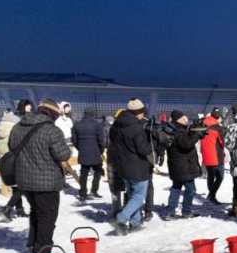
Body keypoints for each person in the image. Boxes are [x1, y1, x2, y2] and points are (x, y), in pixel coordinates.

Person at [8, 99, 72, 253]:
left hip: (24, 179)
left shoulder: (17, 127)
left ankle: (33, 243)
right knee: (47, 217)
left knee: (36, 211)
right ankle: (43, 252)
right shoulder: (52, 130)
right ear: (53, 114)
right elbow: (63, 154)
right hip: (46, 181)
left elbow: (11, 147)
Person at [108, 99, 154, 235]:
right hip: (137, 167)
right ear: (138, 113)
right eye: (142, 113)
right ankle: (121, 219)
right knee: (138, 197)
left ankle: (135, 223)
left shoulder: (116, 125)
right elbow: (144, 150)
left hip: (123, 166)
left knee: (132, 194)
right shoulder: (136, 128)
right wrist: (153, 143)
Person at [161, 110, 205, 220]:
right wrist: (196, 135)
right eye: (183, 118)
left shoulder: (174, 129)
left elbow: (186, 140)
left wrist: (196, 132)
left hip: (177, 165)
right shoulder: (178, 131)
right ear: (177, 119)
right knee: (190, 189)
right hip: (184, 166)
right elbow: (186, 144)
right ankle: (186, 211)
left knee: (176, 188)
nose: (186, 119)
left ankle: (170, 212)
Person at [0, 100, 31, 221]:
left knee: (16, 186)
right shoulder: (16, 127)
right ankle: (8, 208)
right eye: (28, 106)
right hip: (15, 159)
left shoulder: (3, 128)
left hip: (7, 159)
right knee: (21, 185)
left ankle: (20, 209)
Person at [72, 108, 106, 201]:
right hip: (95, 152)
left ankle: (83, 193)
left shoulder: (77, 125)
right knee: (98, 171)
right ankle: (94, 190)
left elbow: (74, 140)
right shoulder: (97, 125)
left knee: (84, 173)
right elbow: (101, 140)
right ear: (93, 114)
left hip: (83, 152)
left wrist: (80, 148)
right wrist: (101, 151)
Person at [201, 107, 225, 205]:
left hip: (206, 155)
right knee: (220, 177)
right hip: (216, 156)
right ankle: (212, 195)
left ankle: (211, 195)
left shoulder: (203, 125)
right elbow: (223, 142)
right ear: (218, 118)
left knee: (210, 176)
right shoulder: (218, 128)